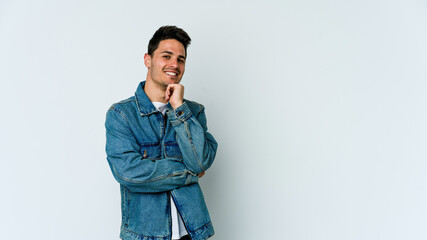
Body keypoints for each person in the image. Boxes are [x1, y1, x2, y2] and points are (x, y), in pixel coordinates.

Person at [105, 25, 218, 240]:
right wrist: (187, 174)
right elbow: (129, 173)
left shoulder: (193, 112)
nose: (174, 64)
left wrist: (179, 108)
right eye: (166, 56)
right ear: (148, 60)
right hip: (145, 235)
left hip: (193, 233)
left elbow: (199, 162)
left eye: (181, 59)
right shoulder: (121, 115)